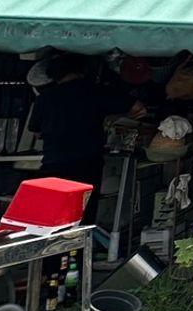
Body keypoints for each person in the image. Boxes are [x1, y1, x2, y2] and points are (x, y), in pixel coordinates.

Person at [28, 54, 142, 214]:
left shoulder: (45, 98)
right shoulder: (96, 91)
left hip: (53, 164)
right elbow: (139, 108)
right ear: (81, 70)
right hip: (86, 165)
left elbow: (36, 132)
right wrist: (114, 118)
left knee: (54, 215)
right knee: (82, 215)